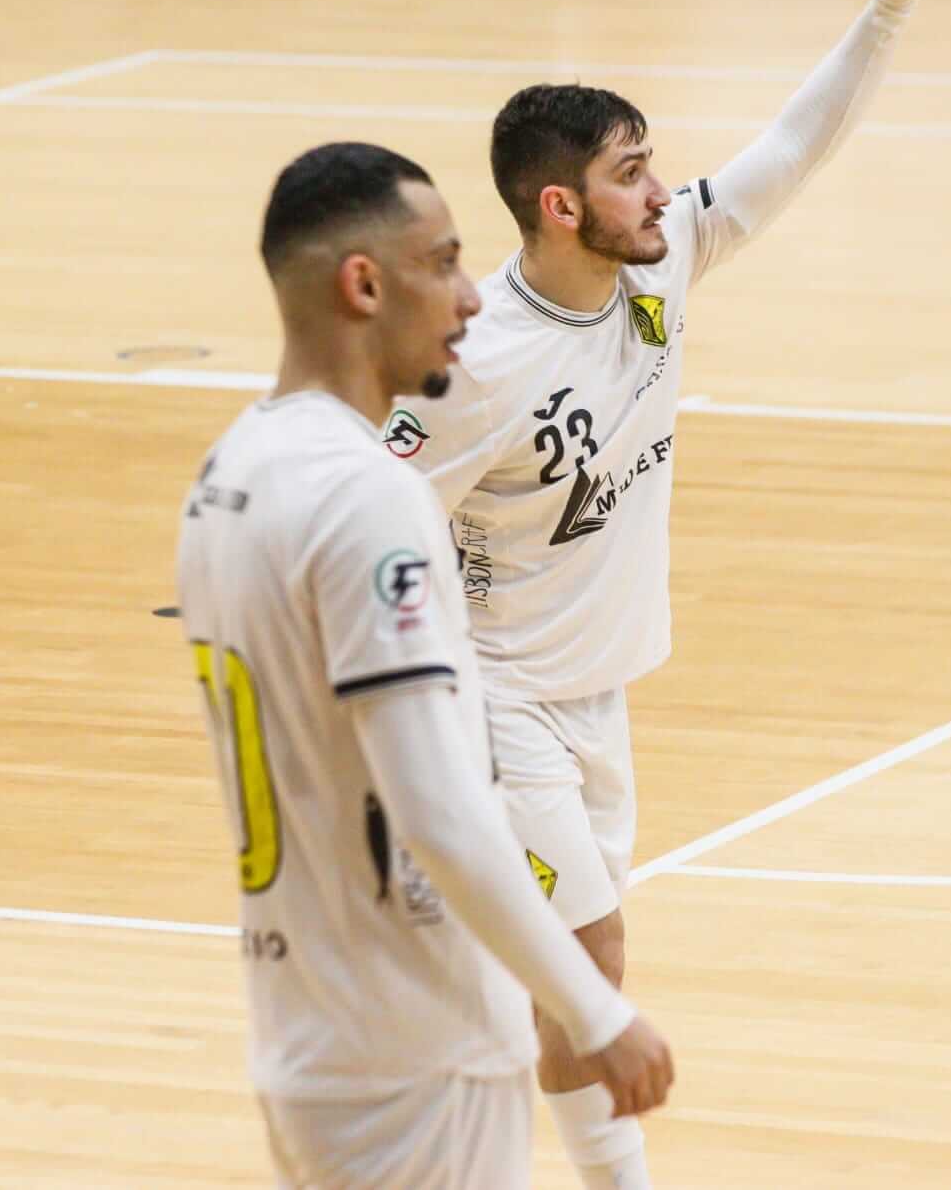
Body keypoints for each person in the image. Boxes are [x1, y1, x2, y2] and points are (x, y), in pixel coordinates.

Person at [381, 0, 939, 1189]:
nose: (661, 188)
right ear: (562, 203)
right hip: (497, 694)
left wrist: (886, 1)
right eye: (633, 171)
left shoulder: (658, 264)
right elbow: (369, 486)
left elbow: (795, 148)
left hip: (599, 690)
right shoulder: (478, 366)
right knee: (592, 965)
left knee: (559, 971)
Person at [177, 142, 674, 1189]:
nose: (467, 298)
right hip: (414, 1048)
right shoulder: (368, 496)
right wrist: (595, 1012)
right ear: (362, 285)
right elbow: (438, 811)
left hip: (310, 1032)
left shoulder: (230, 470)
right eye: (443, 264)